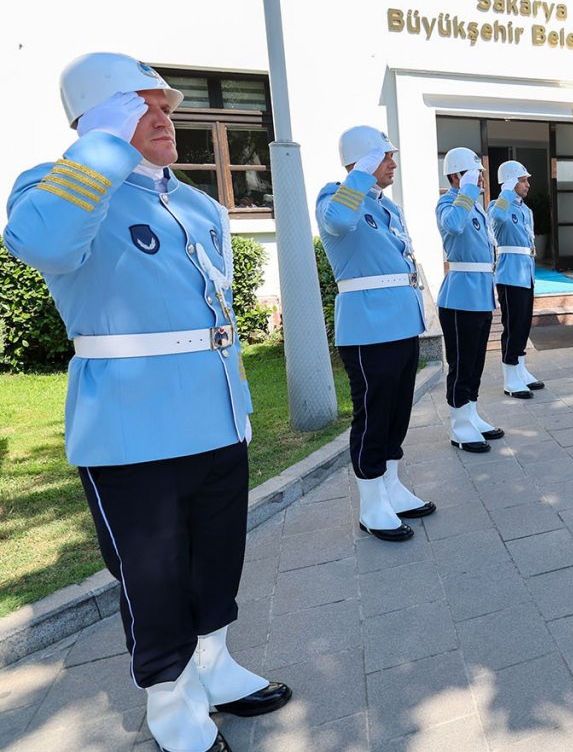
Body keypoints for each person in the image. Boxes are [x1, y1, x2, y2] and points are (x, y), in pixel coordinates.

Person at [4, 52, 290, 752]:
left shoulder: (193, 202)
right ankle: (170, 705)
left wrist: (242, 407)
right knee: (152, 575)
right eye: (145, 105)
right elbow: (36, 240)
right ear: (103, 118)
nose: (166, 117)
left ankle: (216, 667)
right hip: (131, 428)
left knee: (217, 560)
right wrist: (100, 144)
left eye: (167, 106)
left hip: (217, 414)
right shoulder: (61, 185)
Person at [316, 126, 436, 543]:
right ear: (364, 160)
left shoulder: (389, 207)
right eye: (385, 157)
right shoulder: (335, 197)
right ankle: (371, 503)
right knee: (372, 413)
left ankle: (391, 486)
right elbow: (338, 223)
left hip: (402, 322)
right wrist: (361, 175)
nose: (393, 164)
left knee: (398, 410)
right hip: (367, 327)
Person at [437, 147, 504, 453]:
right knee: (461, 364)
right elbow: (452, 225)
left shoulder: (475, 207)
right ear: (456, 177)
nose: (480, 181)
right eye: (474, 175)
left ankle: (472, 416)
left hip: (480, 294)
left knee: (476, 363)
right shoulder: (449, 202)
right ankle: (459, 427)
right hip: (459, 297)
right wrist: (464, 192)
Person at [490, 160, 546, 398]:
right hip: (509, 274)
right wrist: (505, 192)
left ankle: (521, 371)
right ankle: (510, 379)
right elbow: (496, 218)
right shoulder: (498, 205)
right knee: (512, 327)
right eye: (523, 180)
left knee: (523, 325)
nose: (528, 184)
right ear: (511, 182)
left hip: (526, 273)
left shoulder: (526, 210)